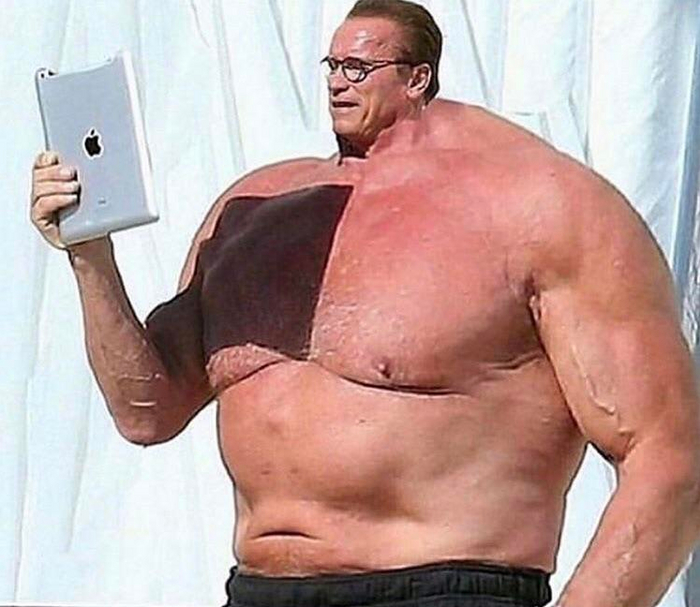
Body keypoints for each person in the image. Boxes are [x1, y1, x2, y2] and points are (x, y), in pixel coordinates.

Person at [29, 1, 700, 606]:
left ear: (418, 78)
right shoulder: (252, 213)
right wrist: (89, 252)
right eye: (332, 65)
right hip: (260, 588)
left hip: (446, 585)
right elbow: (146, 410)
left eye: (358, 66)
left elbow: (669, 456)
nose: (337, 82)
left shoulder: (538, 205)